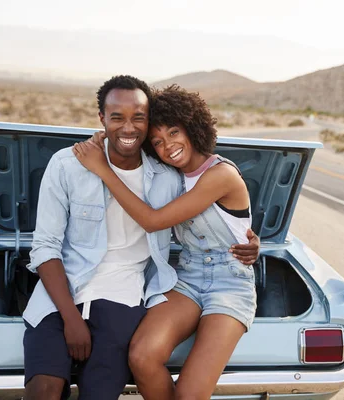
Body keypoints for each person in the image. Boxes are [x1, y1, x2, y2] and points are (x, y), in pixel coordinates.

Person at [23, 76, 259, 400]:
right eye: (158, 139)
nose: (167, 145)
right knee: (135, 359)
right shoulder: (164, 174)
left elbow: (155, 221)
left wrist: (102, 169)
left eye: (173, 132)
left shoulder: (198, 175)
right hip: (181, 278)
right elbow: (46, 245)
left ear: (192, 127)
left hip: (219, 284)